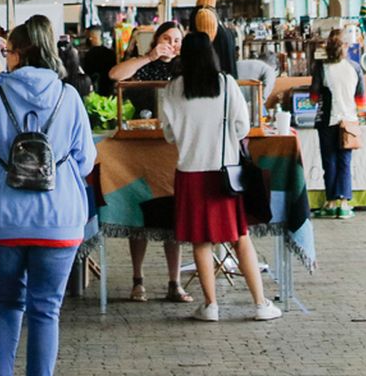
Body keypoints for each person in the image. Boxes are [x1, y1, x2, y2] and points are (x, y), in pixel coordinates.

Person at [0, 15, 96, 376]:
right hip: (59, 221)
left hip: (1, 221)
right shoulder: (69, 97)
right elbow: (86, 163)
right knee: (46, 310)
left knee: (5, 304)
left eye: (7, 51)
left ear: (18, 54)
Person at [159, 31, 282, 322]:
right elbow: (241, 126)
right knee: (240, 237)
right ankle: (261, 304)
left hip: (190, 173)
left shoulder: (173, 88)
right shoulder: (226, 83)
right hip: (224, 173)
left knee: (201, 241)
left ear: (184, 56)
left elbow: (168, 134)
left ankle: (211, 305)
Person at [107, 21, 191, 302]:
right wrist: (150, 57)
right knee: (138, 213)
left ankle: (174, 282)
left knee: (172, 214)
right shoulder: (143, 62)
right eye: (167, 38)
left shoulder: (185, 69)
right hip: (140, 144)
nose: (172, 44)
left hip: (172, 148)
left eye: (177, 40)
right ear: (156, 40)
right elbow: (115, 76)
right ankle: (137, 279)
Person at [313, 29, 366, 219]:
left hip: (327, 121)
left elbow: (313, 96)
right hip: (349, 120)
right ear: (345, 46)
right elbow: (362, 101)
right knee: (345, 161)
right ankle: (344, 204)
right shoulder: (355, 67)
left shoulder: (321, 67)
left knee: (330, 161)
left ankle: (330, 202)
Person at [79, 28, 117, 96]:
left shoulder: (89, 54)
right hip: (109, 87)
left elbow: (87, 71)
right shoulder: (111, 53)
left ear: (92, 37)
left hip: (95, 88)